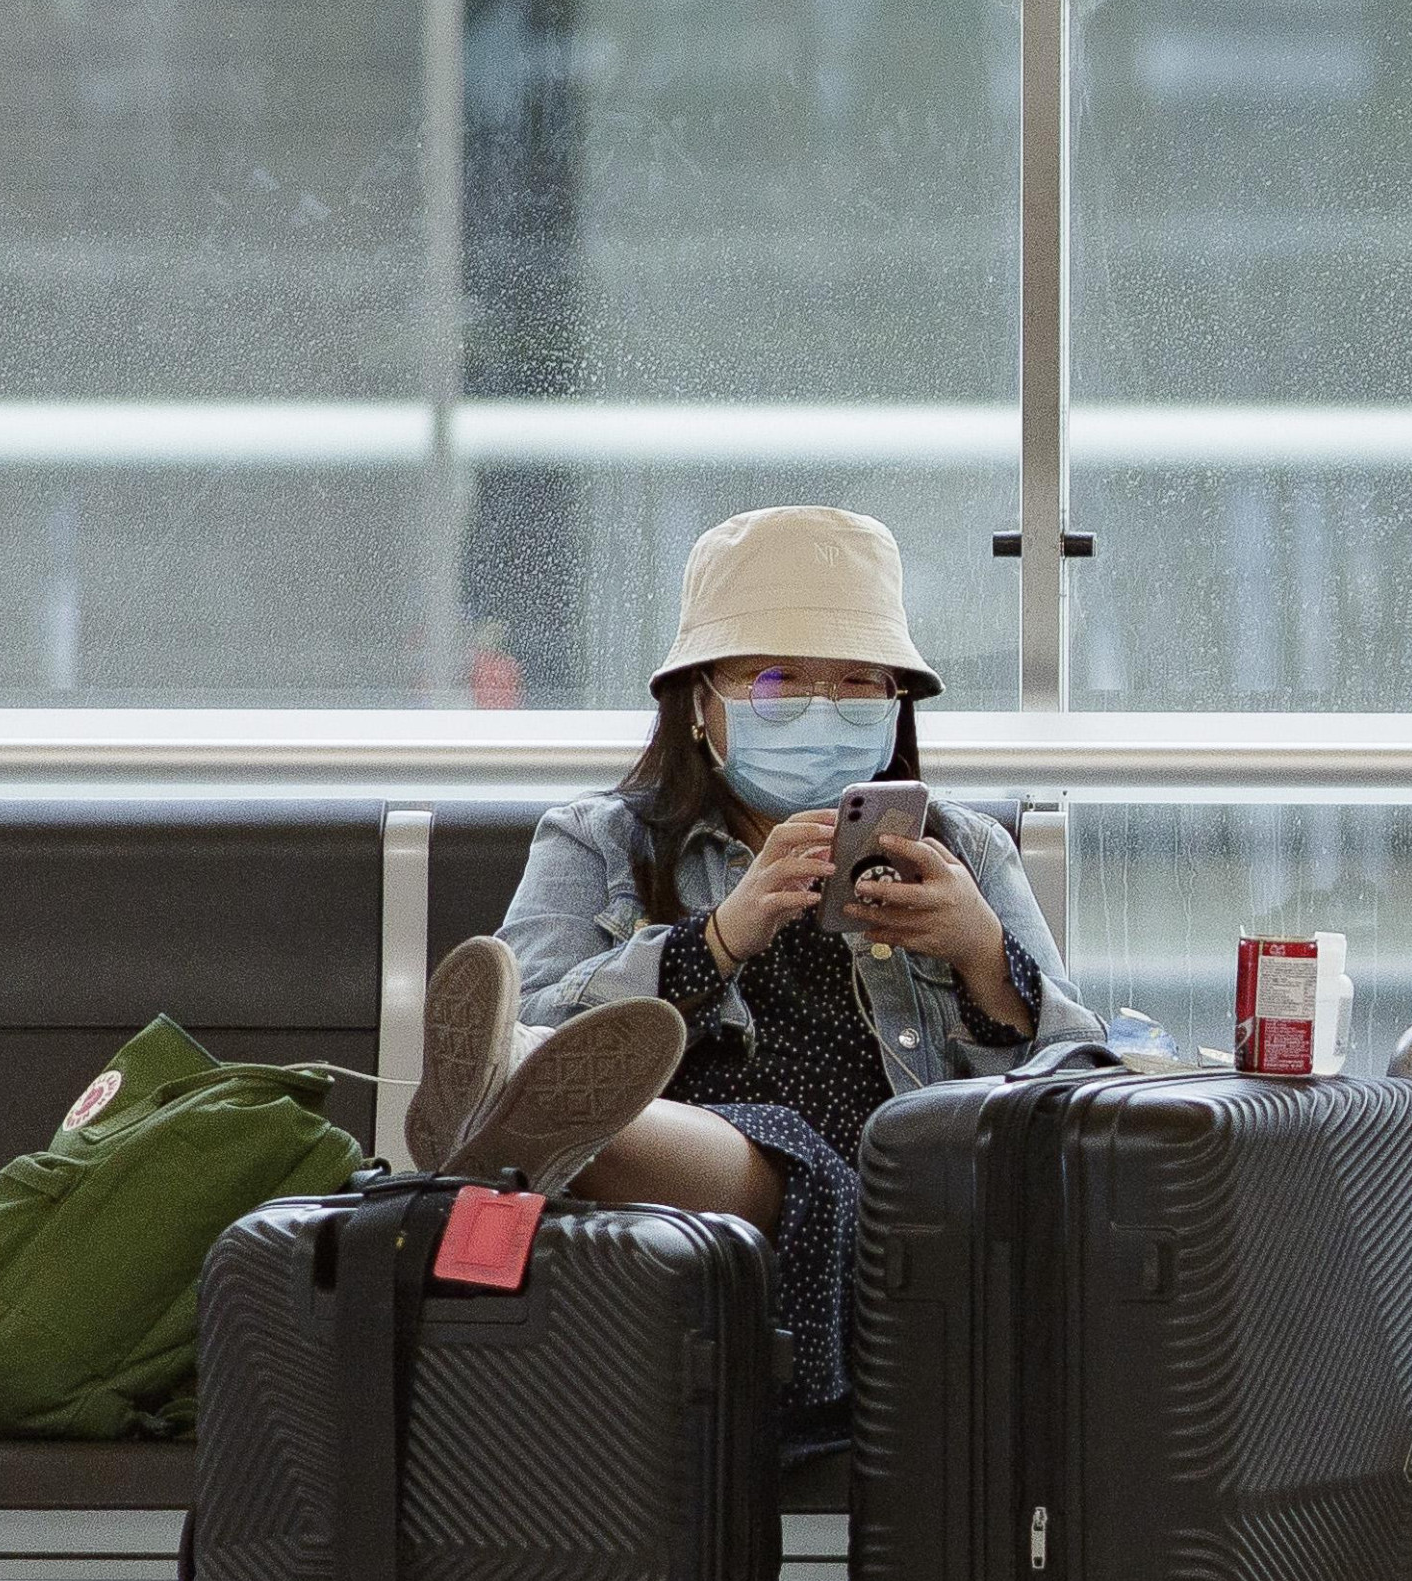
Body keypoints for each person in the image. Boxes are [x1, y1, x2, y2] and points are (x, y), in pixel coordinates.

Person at [413, 506, 1101, 1447]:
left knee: (783, 1149)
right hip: (658, 1253)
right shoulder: (600, 840)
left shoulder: (965, 850)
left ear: (897, 704)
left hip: (893, 1231)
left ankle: (514, 1121)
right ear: (700, 702)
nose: (822, 711)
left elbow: (1082, 1088)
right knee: (596, 1077)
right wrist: (715, 941)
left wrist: (986, 958)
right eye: (776, 682)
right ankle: (529, 1114)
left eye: (858, 685)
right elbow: (529, 1010)